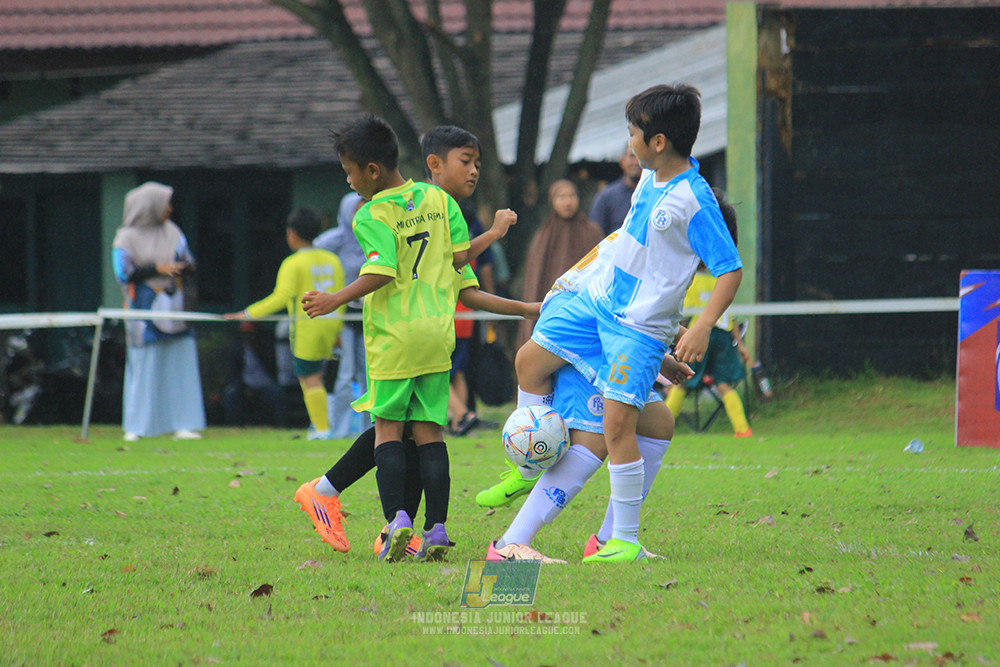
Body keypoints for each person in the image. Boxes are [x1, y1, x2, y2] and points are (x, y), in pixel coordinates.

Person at [508, 84, 744, 563]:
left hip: (633, 333)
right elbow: (643, 267)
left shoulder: (694, 199)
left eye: (633, 133)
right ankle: (526, 472)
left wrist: (700, 328)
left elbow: (730, 270)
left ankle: (618, 541)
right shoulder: (651, 178)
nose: (629, 142)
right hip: (598, 308)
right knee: (533, 362)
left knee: (627, 427)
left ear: (658, 141)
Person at [293, 123, 522, 560]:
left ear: (372, 170)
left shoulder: (370, 214)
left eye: (349, 172)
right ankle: (435, 529)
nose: (348, 181)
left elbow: (382, 270)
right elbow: (461, 261)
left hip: (393, 338)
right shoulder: (440, 201)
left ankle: (395, 520)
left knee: (388, 430)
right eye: (467, 162)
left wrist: (335, 298)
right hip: (437, 336)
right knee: (428, 433)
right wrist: (495, 238)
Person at [224, 207, 345, 440]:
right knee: (322, 377)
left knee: (309, 377)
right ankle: (321, 426)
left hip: (307, 326)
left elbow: (281, 297)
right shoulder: (333, 259)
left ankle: (322, 429)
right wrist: (338, 327)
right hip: (331, 323)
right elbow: (340, 295)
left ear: (293, 234)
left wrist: (247, 314)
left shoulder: (293, 262)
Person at [111, 181, 206, 442]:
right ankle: (137, 426)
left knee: (179, 363)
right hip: (143, 310)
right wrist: (157, 268)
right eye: (166, 204)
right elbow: (122, 272)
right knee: (145, 365)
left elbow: (189, 262)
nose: (170, 209)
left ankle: (182, 423)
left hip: (173, 305)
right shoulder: (126, 237)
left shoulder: (173, 232)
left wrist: (180, 268)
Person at [665, 189, 754, 437]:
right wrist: (740, 344)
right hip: (723, 336)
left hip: (699, 334)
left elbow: (682, 314)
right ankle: (742, 429)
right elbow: (729, 316)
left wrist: (675, 338)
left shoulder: (691, 280)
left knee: (683, 382)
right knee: (724, 384)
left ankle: (662, 428)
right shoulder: (722, 278)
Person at [517, 179, 604, 347]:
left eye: (572, 196)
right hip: (552, 310)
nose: (567, 202)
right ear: (553, 201)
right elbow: (535, 280)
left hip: (586, 309)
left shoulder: (592, 232)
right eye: (561, 197)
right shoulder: (544, 235)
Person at [314, 192, 372, 439]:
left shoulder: (374, 236)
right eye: (356, 209)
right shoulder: (331, 241)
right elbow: (314, 264)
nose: (360, 214)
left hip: (369, 315)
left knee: (370, 376)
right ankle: (338, 431)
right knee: (344, 375)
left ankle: (369, 432)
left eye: (365, 208)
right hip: (342, 316)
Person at [449, 200, 495, 436]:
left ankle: (463, 414)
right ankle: (458, 422)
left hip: (448, 317)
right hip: (467, 318)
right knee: (457, 371)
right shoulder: (471, 246)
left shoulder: (452, 249)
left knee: (437, 373)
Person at [223, 321, 286, 427]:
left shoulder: (266, 346)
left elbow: (273, 367)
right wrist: (244, 387)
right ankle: (234, 426)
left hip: (265, 385)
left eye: (250, 333)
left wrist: (256, 348)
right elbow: (234, 373)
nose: (248, 336)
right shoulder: (237, 350)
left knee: (278, 393)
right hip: (244, 386)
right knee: (231, 394)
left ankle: (280, 426)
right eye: (244, 333)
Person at [589, 143, 643, 235]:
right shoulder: (606, 197)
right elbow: (594, 235)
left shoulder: (656, 194)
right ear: (622, 162)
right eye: (632, 156)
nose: (636, 162)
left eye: (640, 157)